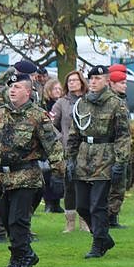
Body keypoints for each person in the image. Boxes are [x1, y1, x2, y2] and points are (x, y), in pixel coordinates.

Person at [0, 73, 64, 267]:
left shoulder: (38, 116)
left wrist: (58, 174)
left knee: (18, 220)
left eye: (17, 87)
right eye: (11, 87)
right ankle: (27, 254)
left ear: (28, 92)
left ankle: (18, 258)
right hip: (2, 177)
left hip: (26, 176)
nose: (12, 90)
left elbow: (53, 146)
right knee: (5, 219)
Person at [66, 65, 131, 259]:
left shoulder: (116, 104)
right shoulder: (82, 103)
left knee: (97, 205)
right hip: (84, 157)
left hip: (105, 157)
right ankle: (103, 237)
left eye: (98, 78)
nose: (93, 82)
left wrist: (120, 162)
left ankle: (97, 244)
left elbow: (123, 136)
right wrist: (70, 158)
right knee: (82, 206)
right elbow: (74, 133)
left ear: (107, 81)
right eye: (91, 78)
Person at [51, 70, 89, 233]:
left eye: (75, 80)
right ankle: (70, 222)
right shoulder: (61, 102)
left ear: (82, 82)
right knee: (70, 186)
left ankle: (85, 221)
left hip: (88, 150)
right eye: (69, 81)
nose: (72, 83)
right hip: (69, 151)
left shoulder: (89, 100)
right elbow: (50, 124)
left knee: (86, 185)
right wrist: (60, 138)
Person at [106, 64, 131, 228]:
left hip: (123, 149)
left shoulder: (122, 100)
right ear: (112, 84)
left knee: (120, 185)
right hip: (111, 150)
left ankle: (113, 216)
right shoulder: (112, 102)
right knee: (112, 185)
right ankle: (108, 217)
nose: (125, 85)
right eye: (122, 83)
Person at [40, 77, 65, 214]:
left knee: (59, 173)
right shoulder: (46, 105)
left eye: (60, 89)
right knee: (48, 174)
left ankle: (56, 202)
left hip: (61, 141)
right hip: (49, 142)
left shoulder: (62, 103)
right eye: (55, 88)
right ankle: (49, 203)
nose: (58, 91)